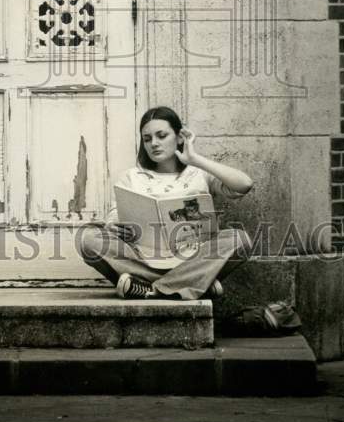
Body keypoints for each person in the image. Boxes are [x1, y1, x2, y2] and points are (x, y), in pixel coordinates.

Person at [78, 106, 254, 300]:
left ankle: (151, 290)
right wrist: (114, 227)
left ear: (180, 137)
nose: (154, 143)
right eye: (147, 139)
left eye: (161, 136)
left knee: (239, 240)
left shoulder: (198, 174)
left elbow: (244, 185)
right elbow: (114, 215)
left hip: (193, 259)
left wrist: (195, 159)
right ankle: (193, 285)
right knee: (89, 239)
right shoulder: (131, 177)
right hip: (142, 260)